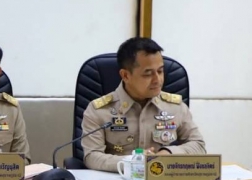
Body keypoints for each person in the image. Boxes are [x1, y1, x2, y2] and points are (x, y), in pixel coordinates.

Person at [82, 37, 205, 172]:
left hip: (161, 178)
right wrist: (132, 162)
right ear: (125, 75)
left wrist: (168, 153)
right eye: (148, 74)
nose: (157, 80)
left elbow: (198, 145)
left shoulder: (175, 106)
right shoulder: (99, 110)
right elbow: (91, 156)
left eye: (160, 71)